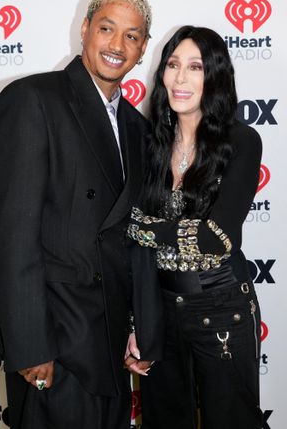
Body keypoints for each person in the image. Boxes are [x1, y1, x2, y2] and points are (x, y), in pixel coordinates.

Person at [0, 0, 151, 429]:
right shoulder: (32, 99)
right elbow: (12, 236)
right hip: (53, 345)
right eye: (107, 29)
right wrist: (31, 345)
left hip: (110, 348)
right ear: (85, 30)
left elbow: (127, 241)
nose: (117, 45)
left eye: (132, 36)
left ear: (143, 48)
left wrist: (138, 327)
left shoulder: (136, 127)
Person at [124, 25, 263, 428]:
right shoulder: (149, 143)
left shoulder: (240, 141)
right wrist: (139, 324)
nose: (180, 78)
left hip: (223, 308)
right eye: (172, 64)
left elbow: (217, 239)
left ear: (215, 76)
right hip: (161, 311)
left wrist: (141, 227)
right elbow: (136, 249)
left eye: (195, 67)